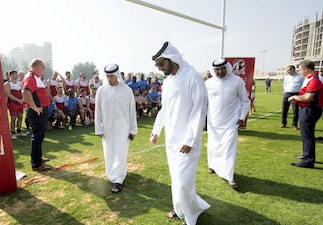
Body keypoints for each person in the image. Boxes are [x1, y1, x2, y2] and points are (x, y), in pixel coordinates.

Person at [149, 42, 210, 225]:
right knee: (176, 180)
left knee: (184, 182)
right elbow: (164, 109)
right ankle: (180, 209)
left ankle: (191, 219)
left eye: (161, 64)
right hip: (172, 140)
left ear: (172, 59)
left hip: (187, 142)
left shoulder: (193, 77)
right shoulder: (168, 82)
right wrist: (155, 131)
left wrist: (190, 139)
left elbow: (199, 110)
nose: (160, 68)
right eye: (157, 66)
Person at [205, 58, 250, 189]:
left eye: (222, 68)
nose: (220, 71)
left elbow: (245, 100)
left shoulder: (237, 81)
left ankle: (229, 176)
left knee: (229, 148)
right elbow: (203, 102)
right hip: (213, 122)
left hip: (231, 122)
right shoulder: (208, 83)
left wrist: (242, 117)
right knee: (213, 146)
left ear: (227, 68)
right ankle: (212, 166)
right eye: (217, 69)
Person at [95, 63, 137, 193]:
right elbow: (98, 111)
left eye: (112, 76)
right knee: (109, 152)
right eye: (107, 76)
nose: (109, 79)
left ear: (117, 75)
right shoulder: (101, 91)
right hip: (107, 128)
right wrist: (99, 129)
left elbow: (132, 111)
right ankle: (112, 173)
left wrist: (133, 130)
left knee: (120, 152)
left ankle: (119, 179)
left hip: (122, 128)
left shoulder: (127, 91)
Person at [289, 60, 323, 168]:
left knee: (307, 135)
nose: (299, 71)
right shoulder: (310, 78)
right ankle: (307, 156)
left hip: (310, 109)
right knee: (307, 134)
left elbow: (307, 97)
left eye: (300, 69)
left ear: (305, 69)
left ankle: (308, 160)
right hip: (308, 109)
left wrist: (294, 97)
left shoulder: (314, 80)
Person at [22, 58, 52, 171]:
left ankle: (38, 158)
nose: (44, 69)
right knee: (37, 136)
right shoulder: (31, 77)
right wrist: (34, 107)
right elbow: (25, 91)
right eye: (43, 66)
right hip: (37, 111)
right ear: (38, 66)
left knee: (39, 136)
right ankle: (36, 164)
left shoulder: (35, 77)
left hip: (41, 110)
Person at [4, 70, 26, 139]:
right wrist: (17, 100)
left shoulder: (20, 83)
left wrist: (22, 99)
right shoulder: (7, 84)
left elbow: (23, 91)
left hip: (20, 102)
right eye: (15, 74)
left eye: (17, 74)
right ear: (11, 75)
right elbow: (8, 94)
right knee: (13, 117)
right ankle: (12, 132)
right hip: (13, 102)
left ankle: (19, 131)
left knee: (20, 116)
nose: (17, 75)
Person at [281, 65, 304, 129]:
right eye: (287, 70)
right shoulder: (286, 77)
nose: (287, 71)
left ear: (293, 69)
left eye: (288, 70)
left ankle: (294, 125)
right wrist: (285, 91)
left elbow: (303, 85)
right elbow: (284, 85)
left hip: (296, 94)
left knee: (295, 110)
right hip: (287, 94)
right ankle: (283, 123)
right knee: (284, 110)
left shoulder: (300, 76)